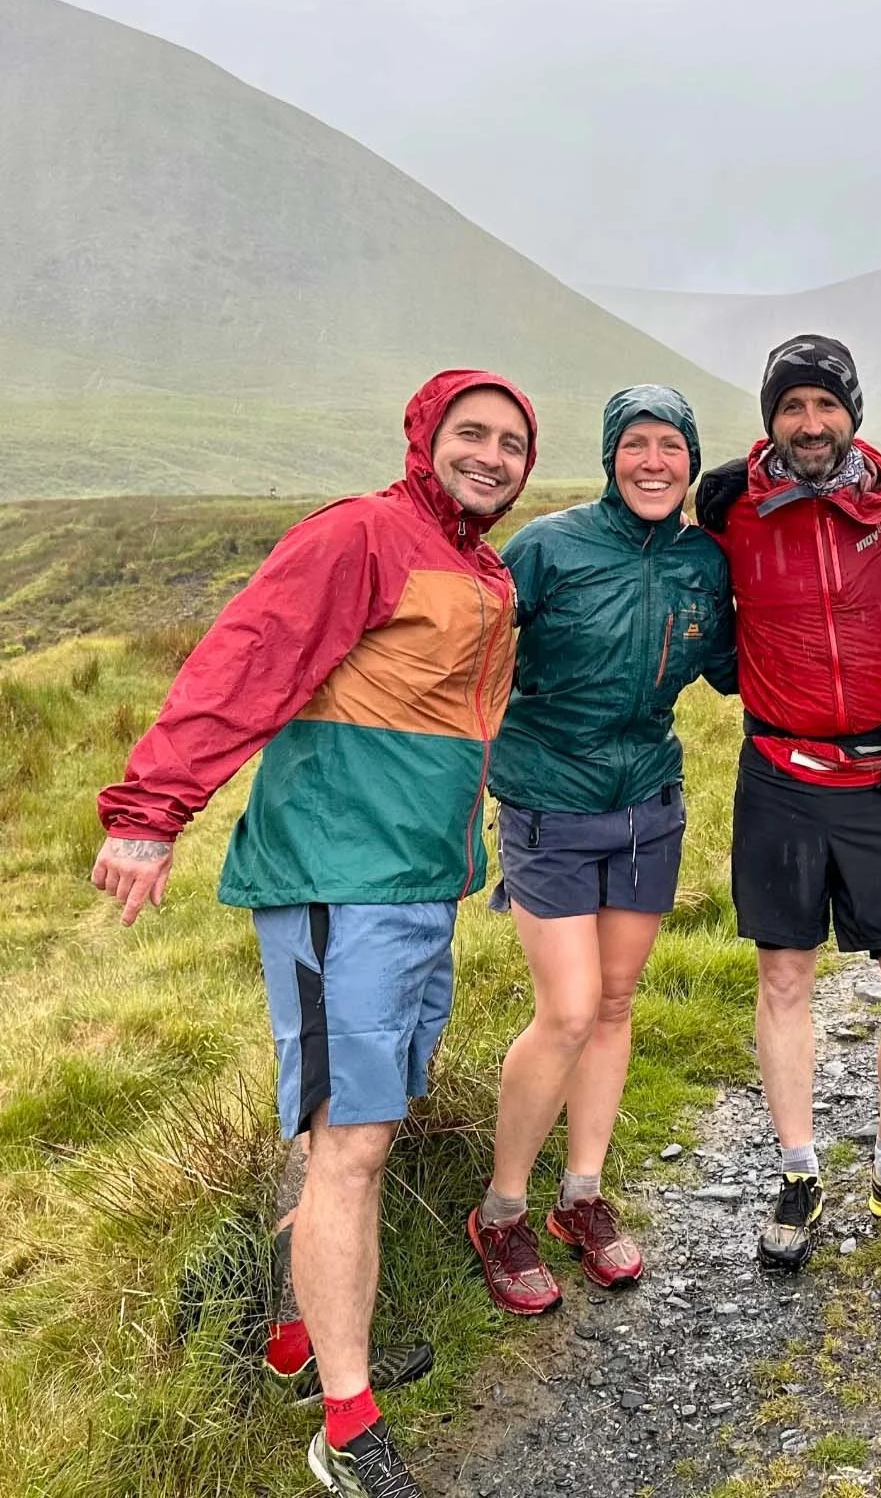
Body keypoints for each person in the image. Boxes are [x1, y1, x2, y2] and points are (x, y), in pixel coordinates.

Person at [94, 370, 537, 1498]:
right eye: (471, 434)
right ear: (425, 438)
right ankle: (346, 1421)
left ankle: (302, 1341)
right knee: (355, 1141)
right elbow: (248, 658)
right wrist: (151, 813)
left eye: (512, 443)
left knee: (344, 1128)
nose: (492, 455)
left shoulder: (476, 564)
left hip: (416, 882)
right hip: (341, 883)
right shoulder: (364, 534)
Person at [694, 335, 881, 1272]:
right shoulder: (734, 511)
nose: (810, 424)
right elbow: (660, 571)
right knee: (784, 978)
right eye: (792, 408)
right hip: (778, 778)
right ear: (769, 420)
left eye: (826, 406)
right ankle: (796, 1172)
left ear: (852, 414)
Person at [466, 386, 735, 1315]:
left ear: (691, 462)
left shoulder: (707, 560)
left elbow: (741, 663)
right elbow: (476, 663)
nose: (654, 462)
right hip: (546, 803)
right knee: (570, 1009)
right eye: (637, 446)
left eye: (673, 447)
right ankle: (501, 1211)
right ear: (611, 456)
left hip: (648, 806)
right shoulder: (546, 547)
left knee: (615, 1003)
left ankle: (580, 1198)